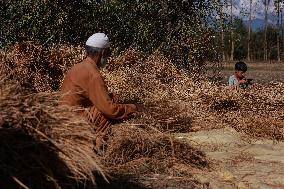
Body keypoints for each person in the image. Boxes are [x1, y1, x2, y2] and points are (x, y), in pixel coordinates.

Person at [60, 33, 143, 150]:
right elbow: (110, 110)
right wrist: (133, 108)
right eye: (108, 53)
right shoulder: (93, 74)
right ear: (103, 53)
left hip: (62, 116)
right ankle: (96, 150)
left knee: (113, 98)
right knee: (104, 115)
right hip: (74, 121)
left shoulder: (79, 66)